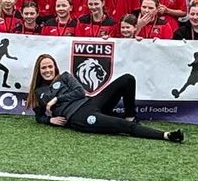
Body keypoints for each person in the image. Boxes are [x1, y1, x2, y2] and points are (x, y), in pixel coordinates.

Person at [28, 53, 183, 142]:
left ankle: (130, 117)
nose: (48, 70)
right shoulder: (39, 91)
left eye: (50, 66)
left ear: (55, 66)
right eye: (44, 68)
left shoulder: (65, 76)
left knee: (127, 79)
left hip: (90, 102)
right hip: (78, 117)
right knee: (121, 126)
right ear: (38, 70)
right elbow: (39, 116)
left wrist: (57, 99)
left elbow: (80, 92)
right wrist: (50, 120)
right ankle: (166, 135)